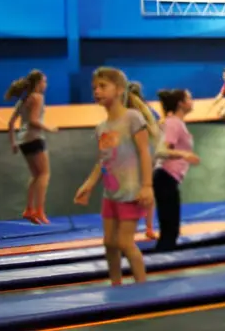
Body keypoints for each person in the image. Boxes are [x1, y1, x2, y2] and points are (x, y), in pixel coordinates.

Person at [74, 67, 159, 286]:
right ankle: (116, 286)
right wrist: (89, 184)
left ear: (119, 89)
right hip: (110, 194)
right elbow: (103, 161)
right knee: (109, 243)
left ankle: (142, 287)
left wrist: (147, 185)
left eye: (103, 86)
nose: (97, 91)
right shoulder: (102, 127)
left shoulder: (132, 117)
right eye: (94, 88)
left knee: (124, 242)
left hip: (130, 192)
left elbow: (144, 152)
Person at [5, 70, 58, 224]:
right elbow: (34, 120)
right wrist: (49, 128)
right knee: (44, 174)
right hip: (35, 138)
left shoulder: (23, 100)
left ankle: (29, 209)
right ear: (38, 83)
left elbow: (10, 123)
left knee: (36, 175)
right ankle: (39, 210)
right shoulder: (37, 97)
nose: (45, 85)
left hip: (23, 141)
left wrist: (13, 142)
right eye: (44, 81)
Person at [153, 88, 200, 251]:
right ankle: (162, 262)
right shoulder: (173, 122)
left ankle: (162, 258)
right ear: (181, 103)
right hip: (165, 177)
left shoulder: (176, 122)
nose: (192, 101)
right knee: (170, 229)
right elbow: (161, 151)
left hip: (168, 179)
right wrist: (185, 154)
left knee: (170, 228)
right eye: (189, 98)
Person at [128, 81, 161, 240]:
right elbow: (159, 125)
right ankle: (149, 228)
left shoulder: (126, 113)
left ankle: (130, 227)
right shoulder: (147, 110)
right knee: (149, 193)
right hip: (148, 154)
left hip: (134, 155)